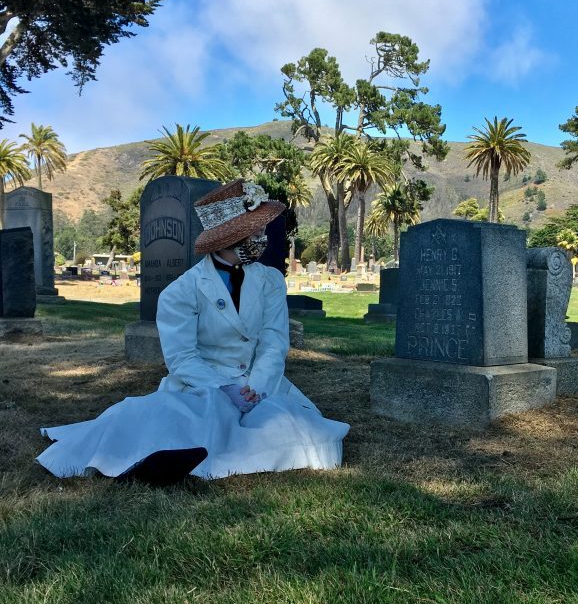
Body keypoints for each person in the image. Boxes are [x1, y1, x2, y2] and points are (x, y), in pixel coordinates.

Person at [37, 179, 349, 484]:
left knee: (295, 427)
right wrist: (224, 388)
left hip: (261, 384)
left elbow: (273, 341)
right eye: (255, 231)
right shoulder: (181, 292)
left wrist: (257, 387)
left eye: (263, 229)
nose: (262, 237)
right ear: (228, 238)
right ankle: (139, 459)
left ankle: (186, 454)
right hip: (203, 383)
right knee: (183, 417)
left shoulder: (270, 280)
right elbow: (183, 358)